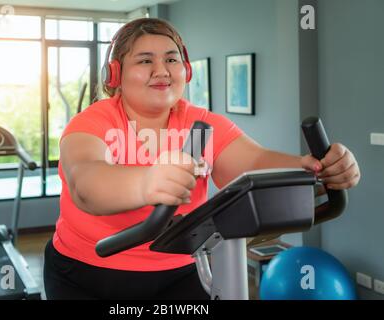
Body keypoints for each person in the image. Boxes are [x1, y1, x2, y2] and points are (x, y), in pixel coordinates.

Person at [43, 18, 360, 300]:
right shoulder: (93, 121)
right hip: (87, 272)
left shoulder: (203, 124)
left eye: (171, 59)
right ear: (115, 74)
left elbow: (253, 162)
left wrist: (315, 169)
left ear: (186, 70)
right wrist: (145, 182)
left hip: (180, 270)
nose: (162, 70)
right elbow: (85, 181)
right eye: (145, 61)